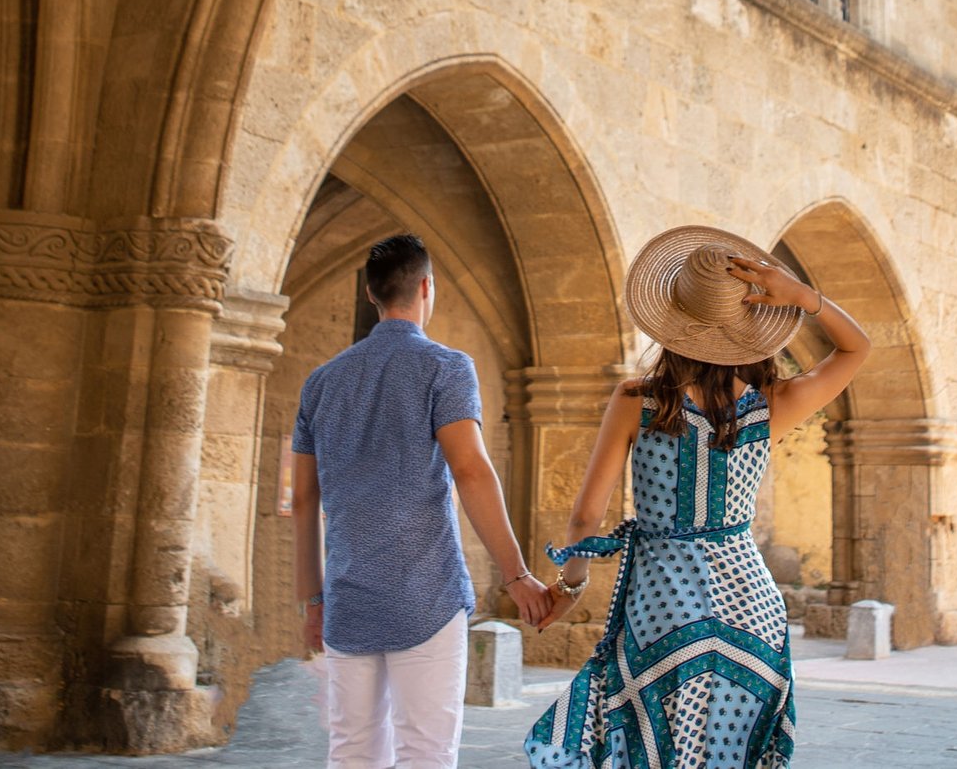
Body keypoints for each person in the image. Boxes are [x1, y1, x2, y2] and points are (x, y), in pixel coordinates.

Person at [523, 225, 873, 768]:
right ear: (752, 327)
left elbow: (587, 515)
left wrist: (571, 587)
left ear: (671, 323)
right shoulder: (771, 406)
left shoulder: (637, 401)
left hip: (662, 603)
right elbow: (856, 348)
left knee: (654, 748)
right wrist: (804, 298)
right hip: (750, 608)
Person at [292, 233, 552, 769]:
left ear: (370, 294)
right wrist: (516, 574)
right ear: (427, 288)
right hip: (425, 593)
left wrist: (313, 602)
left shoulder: (319, 383)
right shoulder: (445, 367)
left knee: (352, 752)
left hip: (347, 596)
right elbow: (471, 471)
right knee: (427, 753)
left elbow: (301, 500)